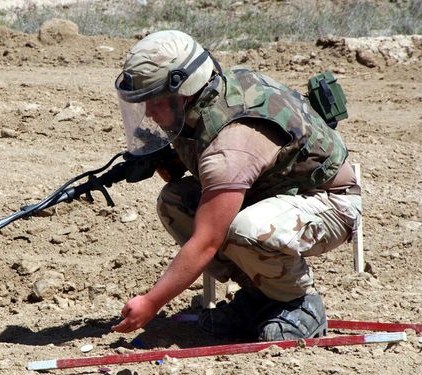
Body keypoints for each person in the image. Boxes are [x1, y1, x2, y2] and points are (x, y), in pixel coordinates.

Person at [110, 30, 361, 341]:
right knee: (175, 201)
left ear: (184, 91)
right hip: (276, 192)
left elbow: (206, 242)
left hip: (329, 200)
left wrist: (150, 302)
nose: (148, 111)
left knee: (246, 229)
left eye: (155, 101)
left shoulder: (230, 145)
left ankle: (299, 303)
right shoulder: (209, 96)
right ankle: (262, 295)